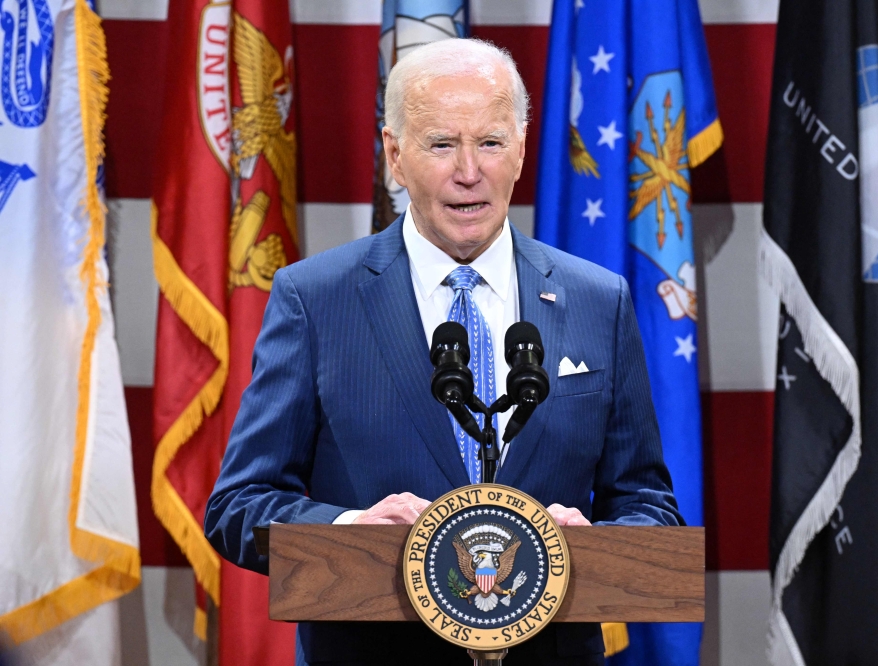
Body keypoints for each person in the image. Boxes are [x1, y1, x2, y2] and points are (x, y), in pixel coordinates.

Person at [205, 38, 683, 666]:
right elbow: (238, 505)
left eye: (489, 142)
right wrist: (353, 530)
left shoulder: (599, 300)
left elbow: (649, 507)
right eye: (440, 145)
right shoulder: (316, 299)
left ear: (519, 150)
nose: (468, 171)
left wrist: (592, 545)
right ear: (394, 156)